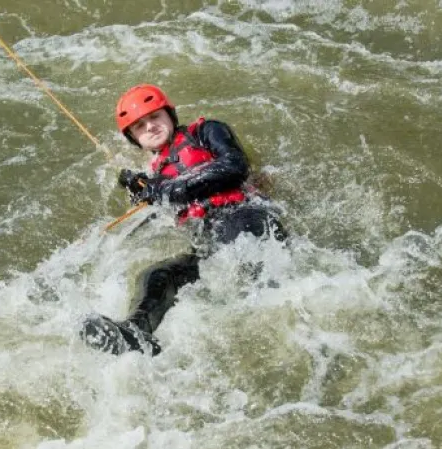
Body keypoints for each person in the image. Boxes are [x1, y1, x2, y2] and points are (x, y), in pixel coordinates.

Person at [80, 84, 288, 356]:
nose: (150, 127)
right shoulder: (152, 177)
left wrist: (172, 189)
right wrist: (138, 192)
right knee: (157, 275)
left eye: (155, 117)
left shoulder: (206, 132)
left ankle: (274, 320)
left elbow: (235, 166)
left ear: (170, 115)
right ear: (134, 138)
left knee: (242, 268)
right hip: (210, 243)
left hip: (244, 220)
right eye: (140, 126)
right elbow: (149, 220)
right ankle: (135, 332)